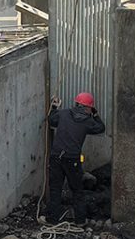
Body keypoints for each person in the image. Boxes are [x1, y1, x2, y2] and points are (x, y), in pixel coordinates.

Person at [45, 92, 105, 223]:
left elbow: (51, 119)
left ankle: (53, 219)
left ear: (76, 103)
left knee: (55, 189)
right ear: (88, 108)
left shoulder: (64, 113)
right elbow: (101, 128)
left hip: (56, 157)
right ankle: (80, 221)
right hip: (72, 160)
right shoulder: (88, 121)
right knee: (77, 191)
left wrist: (55, 107)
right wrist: (96, 115)